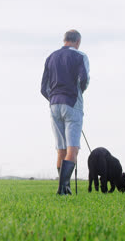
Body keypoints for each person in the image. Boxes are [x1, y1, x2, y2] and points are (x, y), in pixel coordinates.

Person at [41, 29, 90, 195]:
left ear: (65, 40)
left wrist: (54, 98)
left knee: (60, 149)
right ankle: (63, 189)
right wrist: (76, 94)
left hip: (54, 104)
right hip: (72, 103)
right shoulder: (80, 56)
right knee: (72, 149)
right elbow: (84, 79)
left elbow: (43, 88)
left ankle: (63, 189)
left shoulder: (51, 57)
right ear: (77, 42)